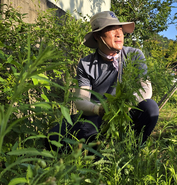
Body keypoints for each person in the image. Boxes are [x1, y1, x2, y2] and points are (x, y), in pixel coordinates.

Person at [47, 11, 159, 151]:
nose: (119, 34)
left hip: (128, 112)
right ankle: (96, 151)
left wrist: (124, 106)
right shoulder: (86, 64)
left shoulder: (134, 55)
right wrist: (100, 109)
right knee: (54, 137)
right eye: (112, 29)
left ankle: (132, 151)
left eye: (120, 29)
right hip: (98, 115)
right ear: (97, 36)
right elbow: (81, 100)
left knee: (150, 108)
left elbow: (146, 87)